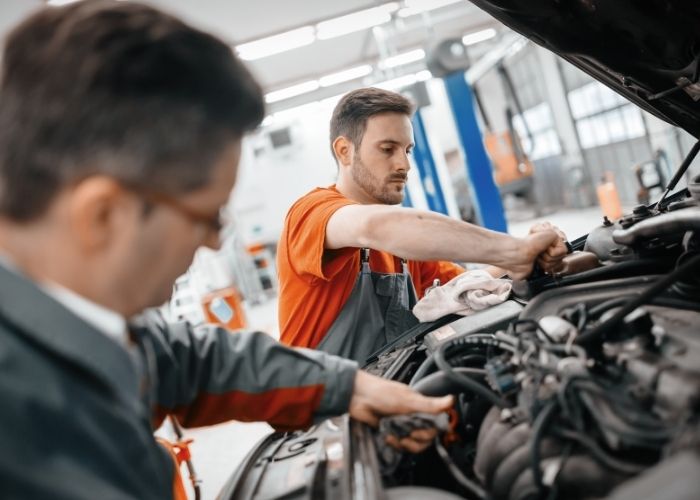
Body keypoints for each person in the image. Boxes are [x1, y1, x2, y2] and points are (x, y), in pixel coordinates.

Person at [0, 2, 454, 499]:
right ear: (103, 216)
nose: (217, 241)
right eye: (208, 215)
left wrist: (350, 386)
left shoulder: (87, 316)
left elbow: (190, 358)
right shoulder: (27, 446)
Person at [278, 87, 567, 363]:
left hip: (386, 388)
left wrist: (529, 251)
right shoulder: (312, 213)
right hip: (320, 408)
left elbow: (459, 286)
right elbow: (371, 227)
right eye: (388, 149)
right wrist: (513, 251)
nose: (404, 165)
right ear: (344, 151)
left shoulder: (403, 245)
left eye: (408, 150)